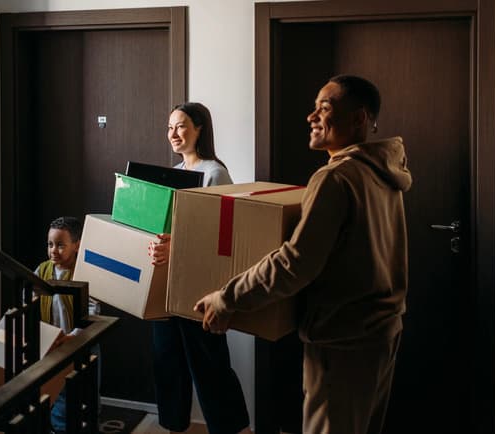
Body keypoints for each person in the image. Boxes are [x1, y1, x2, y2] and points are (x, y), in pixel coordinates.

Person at [194, 75, 412, 434]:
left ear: (358, 118)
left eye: (324, 109)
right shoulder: (383, 171)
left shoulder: (336, 178)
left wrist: (227, 297)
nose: (312, 116)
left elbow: (295, 262)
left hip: (343, 340)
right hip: (381, 331)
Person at [148, 102, 251, 434]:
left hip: (198, 285)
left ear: (199, 129)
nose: (174, 134)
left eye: (181, 126)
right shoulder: (173, 171)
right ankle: (173, 426)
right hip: (166, 284)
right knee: (168, 361)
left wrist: (175, 246)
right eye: (169, 127)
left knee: (209, 364)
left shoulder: (213, 172)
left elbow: (221, 236)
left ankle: (230, 428)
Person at [34, 216, 100, 434]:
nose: (54, 250)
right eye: (50, 244)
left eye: (61, 245)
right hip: (52, 345)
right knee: (56, 395)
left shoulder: (83, 271)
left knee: (81, 393)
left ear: (77, 245)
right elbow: (30, 298)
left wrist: (76, 335)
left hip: (79, 343)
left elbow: (93, 308)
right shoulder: (42, 271)